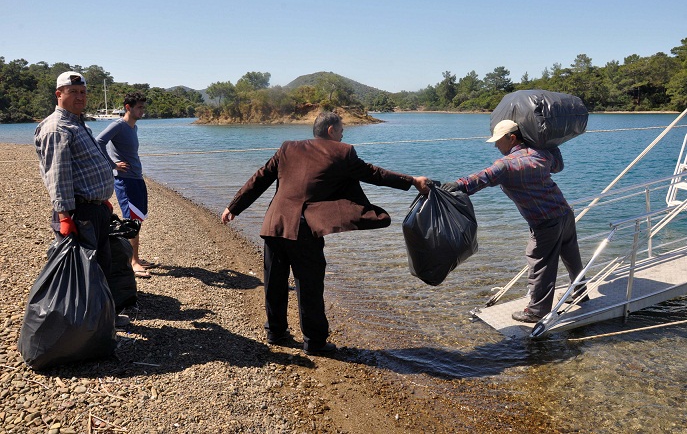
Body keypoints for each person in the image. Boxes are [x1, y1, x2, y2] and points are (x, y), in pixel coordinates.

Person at [221, 111, 430, 355]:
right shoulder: (342, 153)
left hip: (274, 224)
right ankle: (315, 343)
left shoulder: (288, 148)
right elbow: (375, 174)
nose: (343, 134)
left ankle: (275, 333)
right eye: (341, 130)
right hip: (303, 231)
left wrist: (233, 207)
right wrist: (413, 181)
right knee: (309, 286)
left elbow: (260, 178)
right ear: (331, 130)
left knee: (274, 283)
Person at [442, 119, 586, 323]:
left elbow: (481, 179)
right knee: (571, 255)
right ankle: (580, 291)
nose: (495, 145)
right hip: (563, 212)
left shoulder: (506, 165)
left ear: (511, 138)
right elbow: (558, 165)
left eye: (498, 141)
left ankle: (537, 311)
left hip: (544, 221)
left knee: (539, 262)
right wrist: (547, 142)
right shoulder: (540, 153)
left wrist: (456, 185)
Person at [34, 71, 121, 320]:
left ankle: (104, 319)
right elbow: (57, 176)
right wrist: (64, 216)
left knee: (101, 266)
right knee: (85, 272)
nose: (80, 97)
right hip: (78, 213)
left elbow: (85, 168)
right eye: (73, 92)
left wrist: (101, 199)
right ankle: (87, 326)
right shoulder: (56, 128)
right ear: (59, 94)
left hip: (95, 209)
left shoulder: (77, 123)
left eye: (82, 92)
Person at [96, 92, 155, 279]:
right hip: (125, 180)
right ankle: (132, 262)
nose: (142, 110)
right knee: (131, 221)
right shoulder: (118, 125)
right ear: (128, 107)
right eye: (139, 107)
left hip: (137, 177)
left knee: (138, 218)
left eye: (143, 107)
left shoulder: (133, 128)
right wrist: (112, 165)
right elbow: (98, 142)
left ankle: (135, 257)